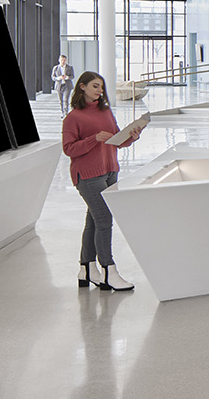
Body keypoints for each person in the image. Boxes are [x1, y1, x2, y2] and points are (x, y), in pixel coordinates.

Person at [62, 71, 144, 292]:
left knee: (94, 221)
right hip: (88, 175)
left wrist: (131, 137)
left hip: (110, 172)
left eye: (101, 87)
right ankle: (108, 270)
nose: (100, 91)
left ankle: (86, 268)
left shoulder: (105, 112)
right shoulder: (73, 118)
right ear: (82, 87)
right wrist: (93, 139)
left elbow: (116, 141)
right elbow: (69, 149)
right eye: (95, 86)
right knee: (105, 219)